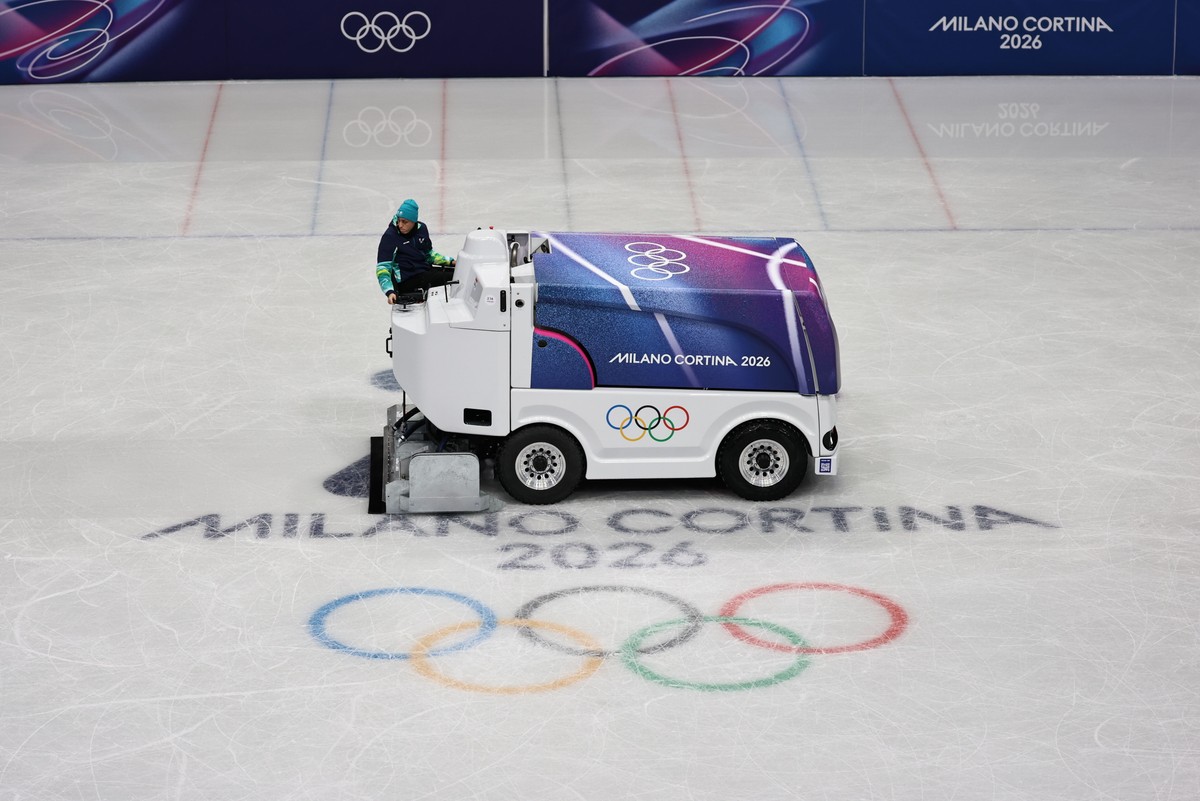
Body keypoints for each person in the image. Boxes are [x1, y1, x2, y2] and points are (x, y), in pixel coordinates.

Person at [375, 198, 456, 303]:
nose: (400, 225)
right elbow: (383, 267)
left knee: (457, 272)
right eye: (399, 220)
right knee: (453, 276)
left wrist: (450, 262)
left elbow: (429, 255)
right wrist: (389, 291)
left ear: (414, 221)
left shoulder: (422, 229)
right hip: (407, 280)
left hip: (424, 272)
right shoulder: (390, 236)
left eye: (404, 222)